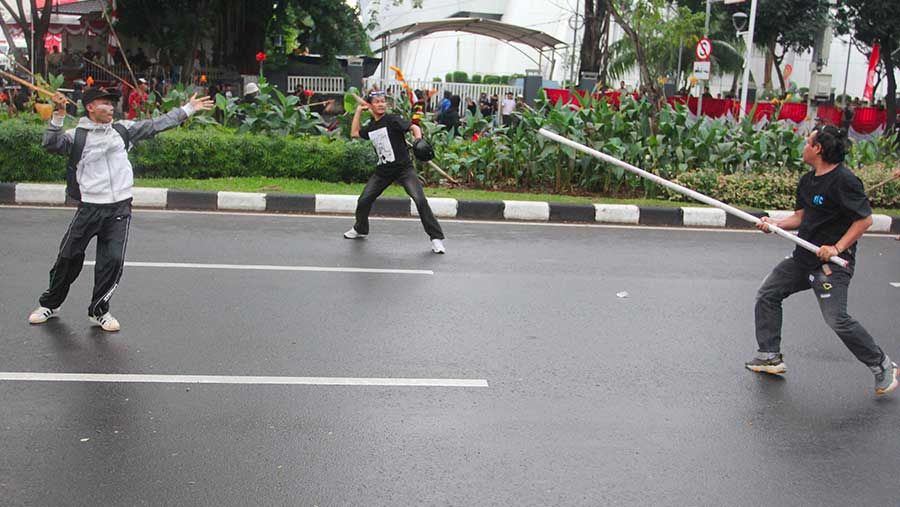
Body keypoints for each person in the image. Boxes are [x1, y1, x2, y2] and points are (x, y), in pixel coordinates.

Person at [28, 87, 214, 331]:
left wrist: (188, 109)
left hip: (119, 208)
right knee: (68, 257)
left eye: (112, 103)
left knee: (112, 260)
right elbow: (51, 145)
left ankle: (99, 311)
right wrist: (59, 114)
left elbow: (156, 124)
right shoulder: (77, 136)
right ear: (90, 107)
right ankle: (50, 304)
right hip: (89, 207)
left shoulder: (122, 130)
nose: (111, 107)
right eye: (105, 103)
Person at [746, 125, 897, 396]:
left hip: (831, 265)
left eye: (808, 142)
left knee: (837, 319)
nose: (804, 146)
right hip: (803, 257)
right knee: (768, 294)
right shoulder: (809, 180)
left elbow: (864, 220)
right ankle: (769, 355)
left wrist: (837, 248)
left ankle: (883, 365)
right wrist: (775, 224)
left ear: (818, 149)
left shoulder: (846, 181)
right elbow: (803, 216)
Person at [345, 91, 446, 254]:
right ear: (370, 106)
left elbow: (414, 127)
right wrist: (358, 111)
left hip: (404, 169)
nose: (381, 104)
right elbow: (354, 133)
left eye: (383, 101)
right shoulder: (371, 127)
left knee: (420, 200)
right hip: (383, 171)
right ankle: (360, 229)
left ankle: (436, 238)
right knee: (363, 200)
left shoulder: (392, 120)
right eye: (377, 102)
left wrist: (418, 140)